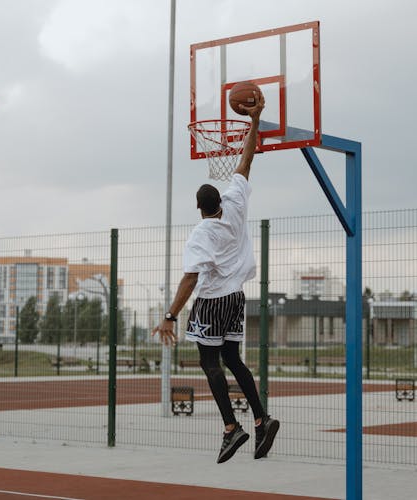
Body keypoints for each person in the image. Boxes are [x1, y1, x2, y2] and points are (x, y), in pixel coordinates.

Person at [152, 91, 279, 464]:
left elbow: (190, 279)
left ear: (198, 208)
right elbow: (247, 158)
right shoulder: (237, 202)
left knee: (210, 364)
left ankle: (230, 428)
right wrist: (254, 121)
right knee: (234, 360)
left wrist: (171, 315)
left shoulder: (200, 234)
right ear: (220, 201)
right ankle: (261, 417)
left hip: (211, 300)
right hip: (237, 297)